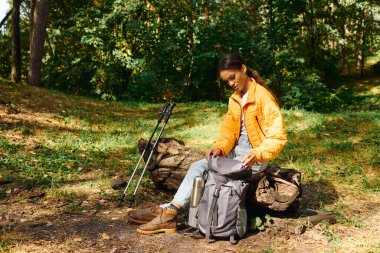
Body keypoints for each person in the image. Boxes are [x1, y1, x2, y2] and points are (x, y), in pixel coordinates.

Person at [128, 53, 287, 234]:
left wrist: (258, 153)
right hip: (234, 154)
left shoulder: (263, 97)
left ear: (243, 68)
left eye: (232, 78)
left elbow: (277, 136)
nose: (231, 83)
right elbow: (229, 132)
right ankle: (170, 212)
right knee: (198, 166)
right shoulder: (235, 98)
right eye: (227, 81)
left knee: (211, 176)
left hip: (252, 158)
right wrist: (219, 147)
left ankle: (167, 212)